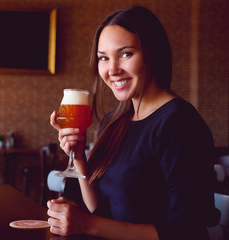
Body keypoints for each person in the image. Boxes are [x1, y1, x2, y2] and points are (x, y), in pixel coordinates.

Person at [48, 6, 219, 240]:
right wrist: (79, 157)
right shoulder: (113, 121)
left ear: (153, 53)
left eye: (126, 54)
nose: (113, 70)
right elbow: (102, 212)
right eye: (104, 58)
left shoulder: (179, 123)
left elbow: (186, 232)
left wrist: (87, 225)